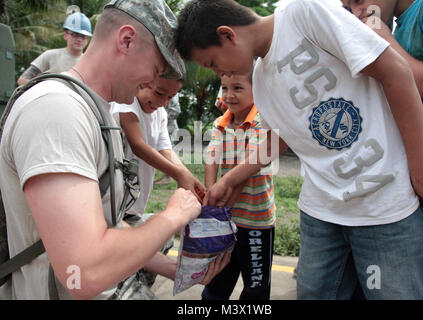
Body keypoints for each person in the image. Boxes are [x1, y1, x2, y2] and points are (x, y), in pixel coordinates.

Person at [175, 0, 423, 299]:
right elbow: (280, 136)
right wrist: (231, 179)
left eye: (213, 63)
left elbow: (395, 71)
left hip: (385, 206)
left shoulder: (304, 13)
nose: (218, 73)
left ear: (228, 35)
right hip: (322, 214)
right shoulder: (262, 81)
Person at [0, 0, 228, 300]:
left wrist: (171, 268)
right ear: (126, 40)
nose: (151, 81)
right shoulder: (57, 111)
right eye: (156, 68)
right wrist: (173, 216)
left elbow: (108, 225)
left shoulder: (96, 113)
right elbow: (85, 273)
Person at [342, 0, 423, 299]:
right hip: (418, 182)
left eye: (359, 0)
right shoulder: (398, 27)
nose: (356, 10)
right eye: (348, 6)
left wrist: (382, 38)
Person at [202, 71, 276, 300]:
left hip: (256, 222)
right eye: (224, 88)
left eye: (238, 88)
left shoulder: (261, 121)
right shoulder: (219, 123)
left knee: (256, 286)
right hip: (226, 217)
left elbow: (249, 167)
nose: (229, 95)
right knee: (217, 280)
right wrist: (210, 199)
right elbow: (211, 158)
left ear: (257, 91)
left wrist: (220, 206)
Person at [110, 77, 205, 221]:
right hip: (113, 201)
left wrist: (188, 175)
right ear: (143, 82)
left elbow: (165, 148)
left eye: (170, 97)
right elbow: (138, 146)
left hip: (135, 204)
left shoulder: (160, 112)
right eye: (159, 93)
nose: (163, 102)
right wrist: (179, 175)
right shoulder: (127, 104)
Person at [17, 12, 92, 86]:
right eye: (75, 35)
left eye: (83, 37)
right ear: (65, 35)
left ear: (87, 40)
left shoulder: (89, 63)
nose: (79, 39)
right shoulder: (50, 55)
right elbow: (23, 80)